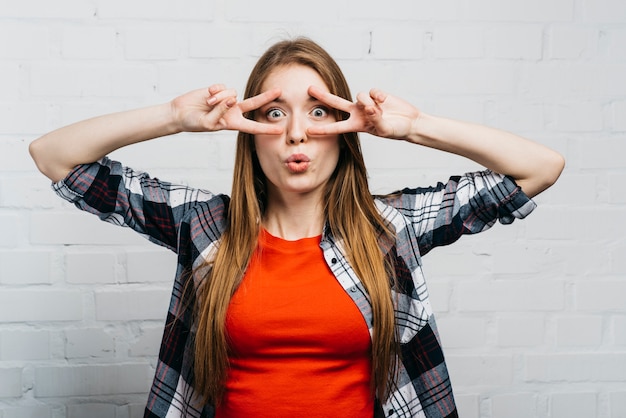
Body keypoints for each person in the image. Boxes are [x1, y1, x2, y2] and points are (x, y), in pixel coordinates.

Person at [29, 37, 565, 418]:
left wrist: (414, 127)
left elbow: (539, 168)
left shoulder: (389, 229)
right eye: (274, 113)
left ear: (345, 128)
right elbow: (54, 158)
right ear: (249, 131)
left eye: (318, 112)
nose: (297, 134)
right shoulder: (203, 226)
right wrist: (173, 117)